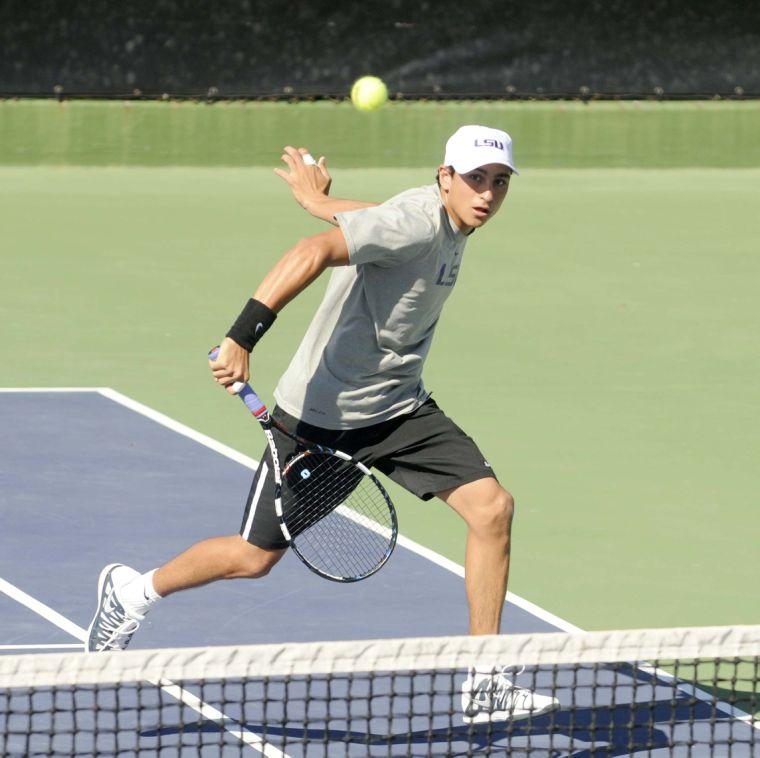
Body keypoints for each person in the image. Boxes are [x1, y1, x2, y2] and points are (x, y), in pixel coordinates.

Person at [86, 125, 559, 723]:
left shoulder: (445, 218)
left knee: (492, 508)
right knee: (254, 557)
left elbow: (374, 217)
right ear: (445, 179)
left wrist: (320, 201)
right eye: (473, 180)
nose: (486, 194)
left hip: (399, 409)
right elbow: (310, 252)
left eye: (498, 182)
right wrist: (241, 336)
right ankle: (134, 592)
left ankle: (485, 680)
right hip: (320, 420)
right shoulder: (415, 222)